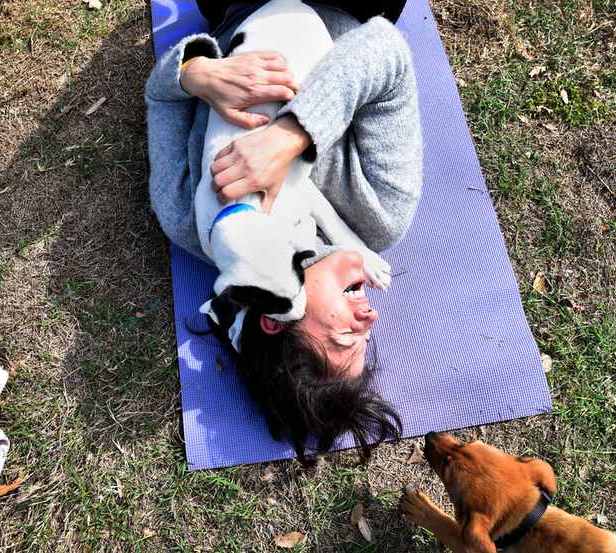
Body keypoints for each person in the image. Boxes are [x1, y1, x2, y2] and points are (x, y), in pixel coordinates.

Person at [146, 1, 422, 462]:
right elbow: (385, 50)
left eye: (344, 337)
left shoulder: (188, 224)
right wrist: (292, 133)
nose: (370, 319)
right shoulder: (380, 214)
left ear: (274, 322)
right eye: (365, 337)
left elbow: (161, 95)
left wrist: (198, 73)